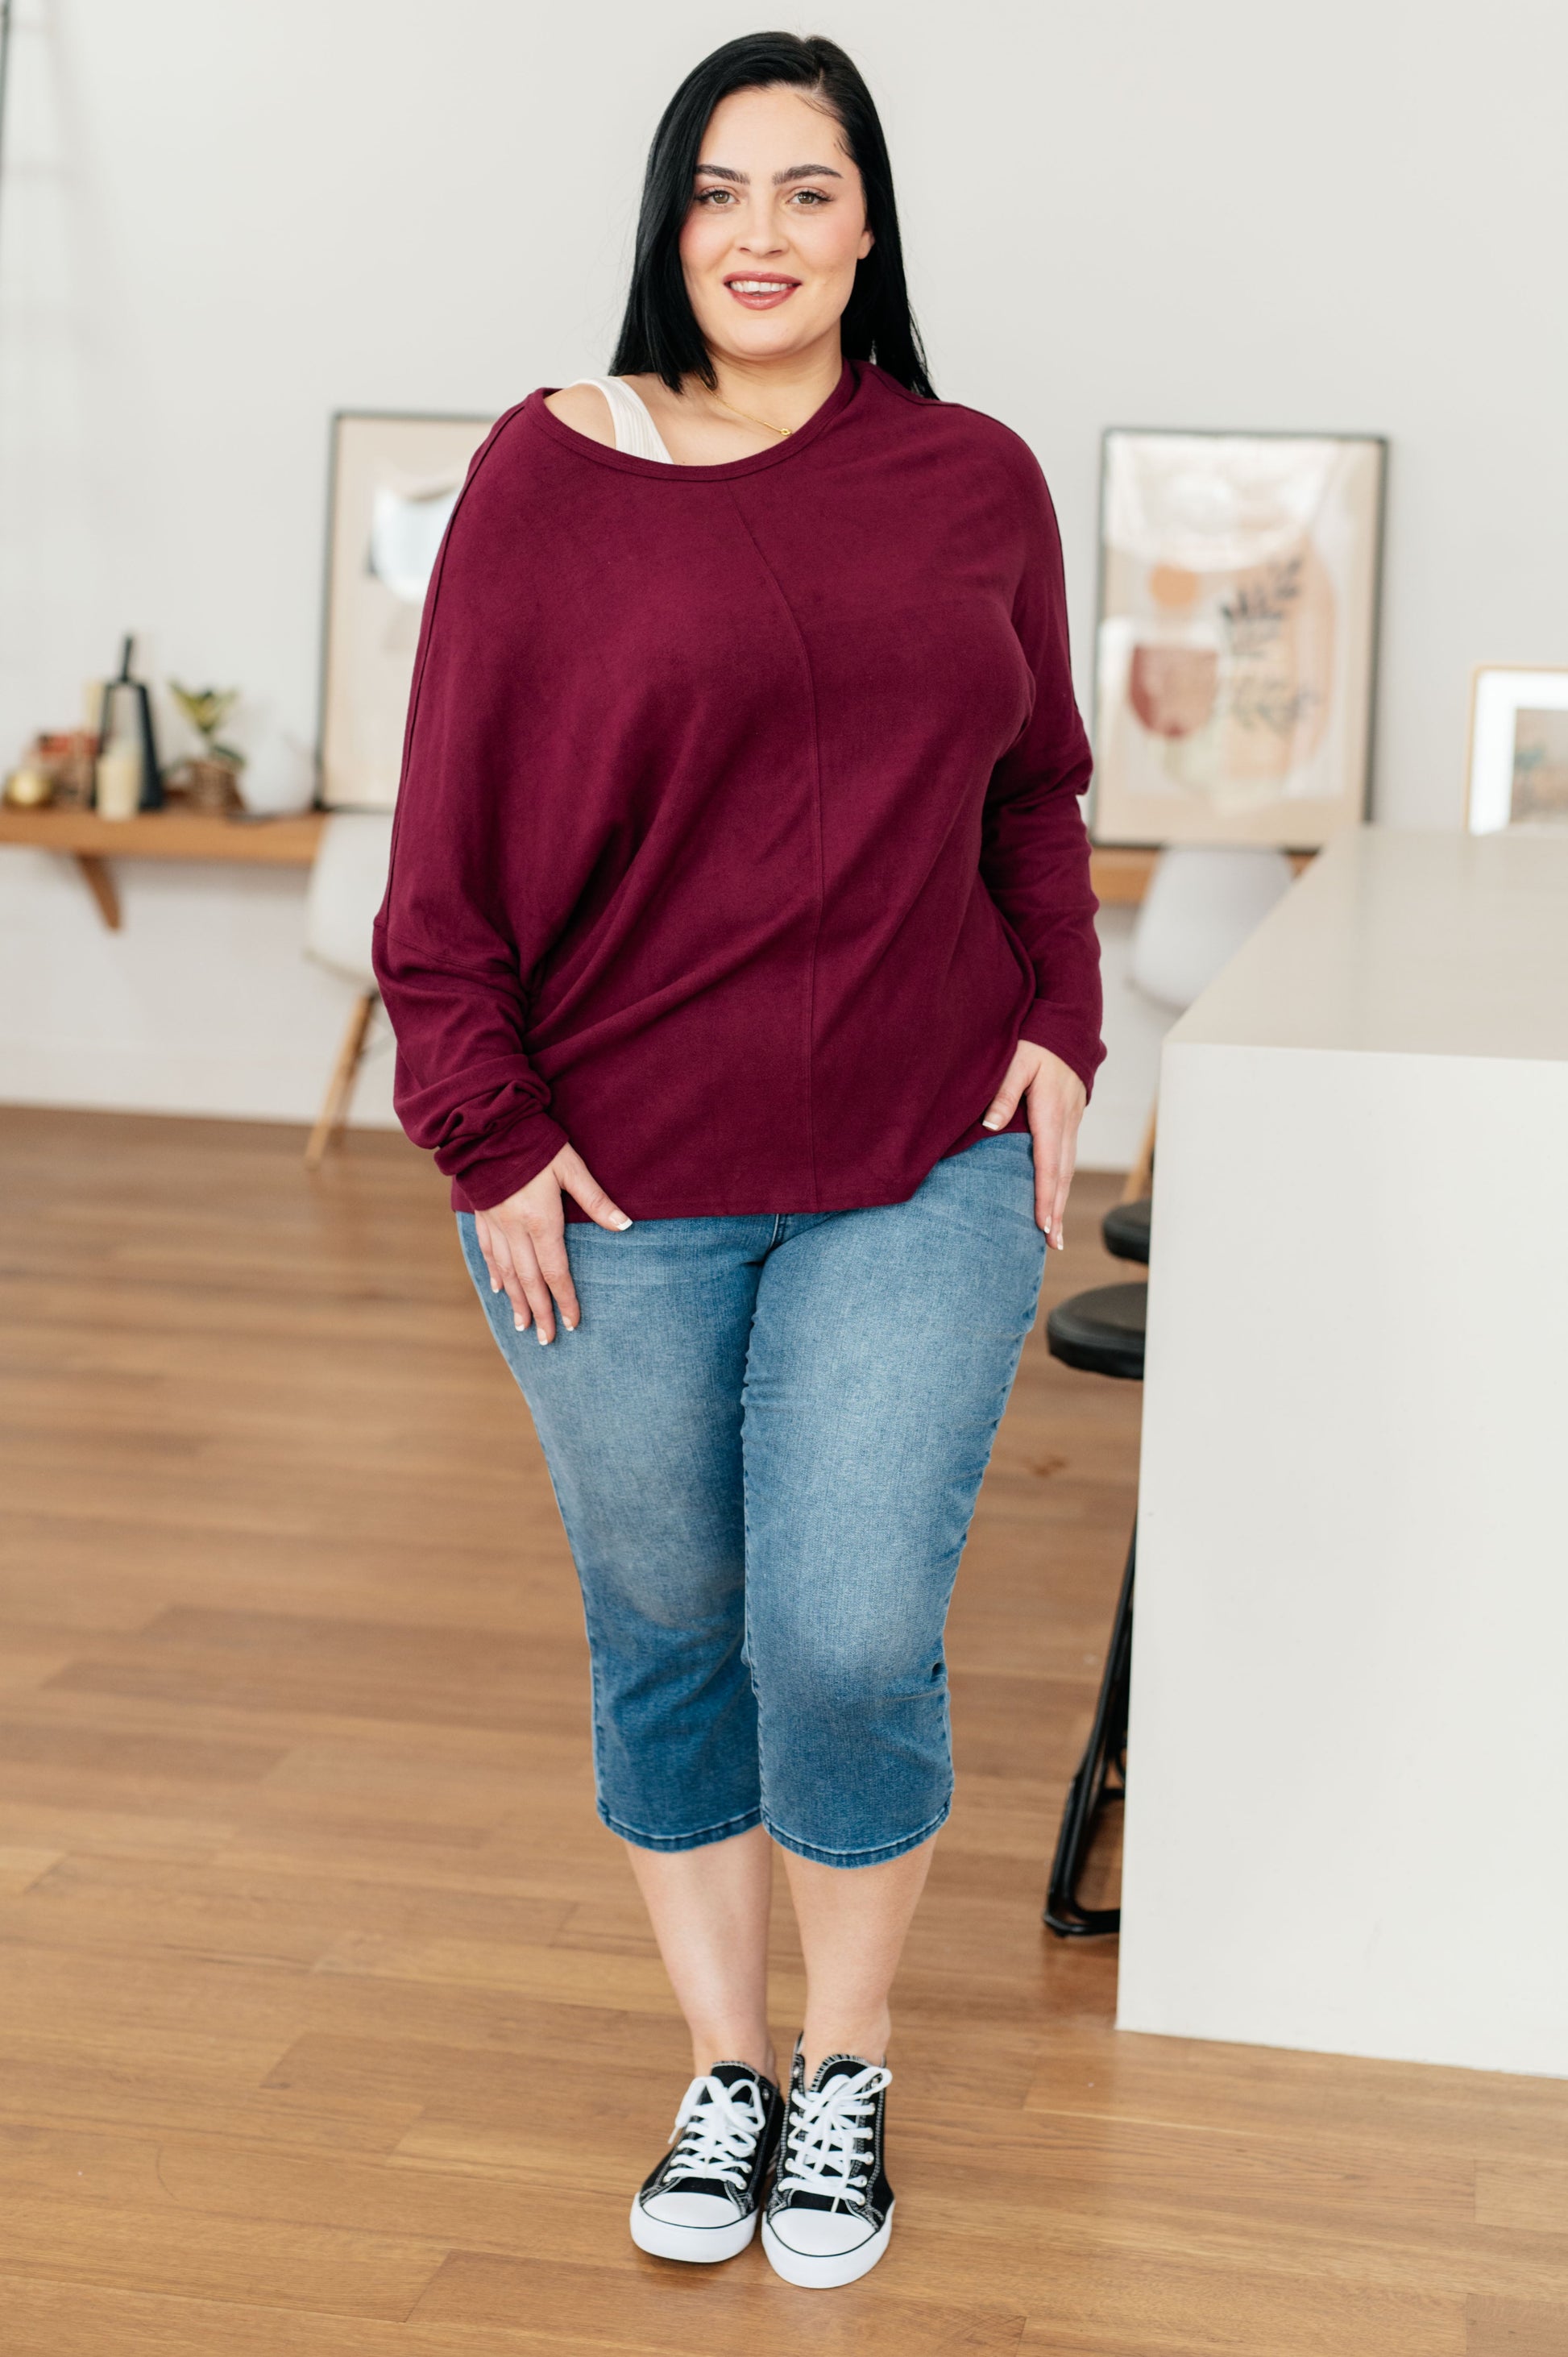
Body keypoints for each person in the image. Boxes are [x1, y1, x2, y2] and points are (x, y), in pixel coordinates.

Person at [373, 29, 1102, 2293]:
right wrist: (487, 1132)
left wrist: (1061, 1029)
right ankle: (727, 2068)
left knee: (851, 1632)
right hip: (614, 1181)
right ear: (664, 229)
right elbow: (443, 860)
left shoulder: (969, 477)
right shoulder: (544, 471)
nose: (758, 235)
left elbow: (1034, 796)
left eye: (805, 190)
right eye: (716, 191)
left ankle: (849, 2069)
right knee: (670, 1628)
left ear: (868, 223)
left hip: (917, 1160)